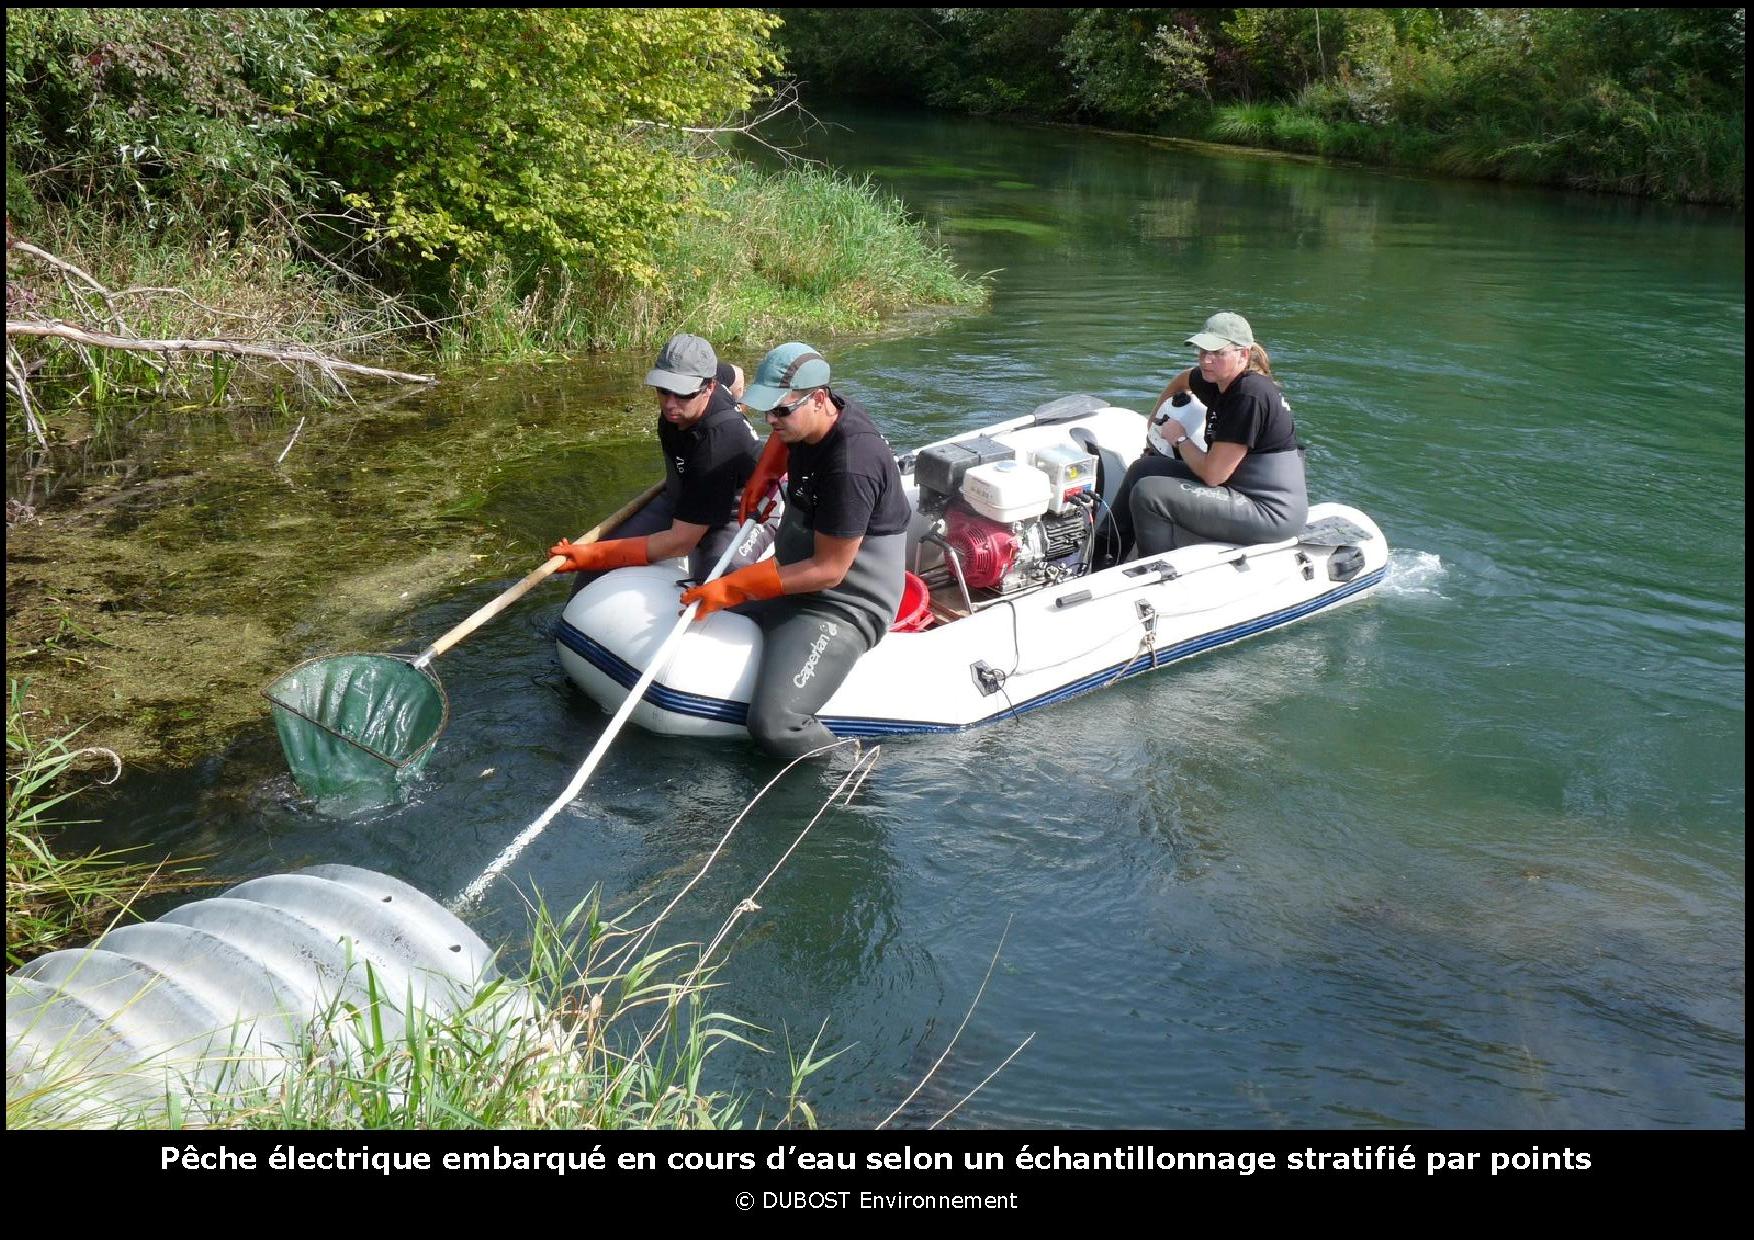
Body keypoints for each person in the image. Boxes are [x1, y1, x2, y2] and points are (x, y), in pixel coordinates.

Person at [679, 342, 912, 758]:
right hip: (792, 578)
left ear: (819, 398)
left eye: (781, 411)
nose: (771, 420)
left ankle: (850, 765)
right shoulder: (813, 418)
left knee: (775, 725)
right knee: (695, 602)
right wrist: (766, 472)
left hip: (840, 605)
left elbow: (829, 571)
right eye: (766, 410)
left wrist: (734, 588)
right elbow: (784, 438)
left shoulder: (851, 466)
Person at [549, 333, 760, 590]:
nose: (670, 404)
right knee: (595, 568)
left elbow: (681, 542)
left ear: (710, 387)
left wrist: (593, 554)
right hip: (684, 491)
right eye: (663, 390)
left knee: (716, 586)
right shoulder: (712, 379)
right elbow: (736, 374)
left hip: (734, 509)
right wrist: (594, 558)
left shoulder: (719, 442)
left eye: (683, 394)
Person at [1106, 311, 1307, 559]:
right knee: (1142, 469)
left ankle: (1154, 573)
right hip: (1236, 487)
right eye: (1202, 352)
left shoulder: (1249, 395)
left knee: (1150, 494)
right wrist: (1153, 420)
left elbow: (1213, 475)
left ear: (1243, 354)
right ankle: (1103, 555)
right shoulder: (1218, 381)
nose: (1206, 361)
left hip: (1269, 511)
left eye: (1218, 354)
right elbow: (1182, 380)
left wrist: (1180, 439)